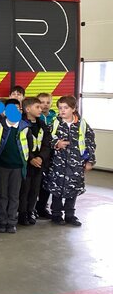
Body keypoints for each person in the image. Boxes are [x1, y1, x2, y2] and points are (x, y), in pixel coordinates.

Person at [45, 96, 96, 226]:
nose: (62, 111)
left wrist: (89, 161)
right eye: (60, 108)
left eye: (66, 108)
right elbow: (46, 139)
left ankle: (70, 215)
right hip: (58, 164)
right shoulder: (55, 123)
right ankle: (56, 214)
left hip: (75, 165)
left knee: (72, 189)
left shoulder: (82, 125)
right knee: (56, 189)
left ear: (73, 109)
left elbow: (89, 144)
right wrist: (57, 143)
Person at [0, 99, 30, 234]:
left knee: (14, 195)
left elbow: (31, 145)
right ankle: (2, 221)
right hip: (1, 166)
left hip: (18, 167)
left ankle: (12, 222)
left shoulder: (25, 127)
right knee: (1, 195)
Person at [18, 97, 51, 226]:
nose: (41, 108)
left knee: (35, 189)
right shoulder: (21, 124)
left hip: (39, 163)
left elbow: (46, 144)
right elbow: (20, 144)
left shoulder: (42, 124)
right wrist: (31, 158)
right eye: (37, 107)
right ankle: (22, 213)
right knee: (24, 190)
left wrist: (41, 157)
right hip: (26, 163)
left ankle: (31, 211)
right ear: (27, 109)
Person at [35, 92, 56, 219]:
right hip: (39, 154)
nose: (45, 105)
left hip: (52, 155)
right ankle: (31, 207)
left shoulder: (56, 118)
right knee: (35, 183)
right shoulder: (36, 118)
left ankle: (42, 207)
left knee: (47, 183)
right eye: (42, 102)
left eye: (48, 102)